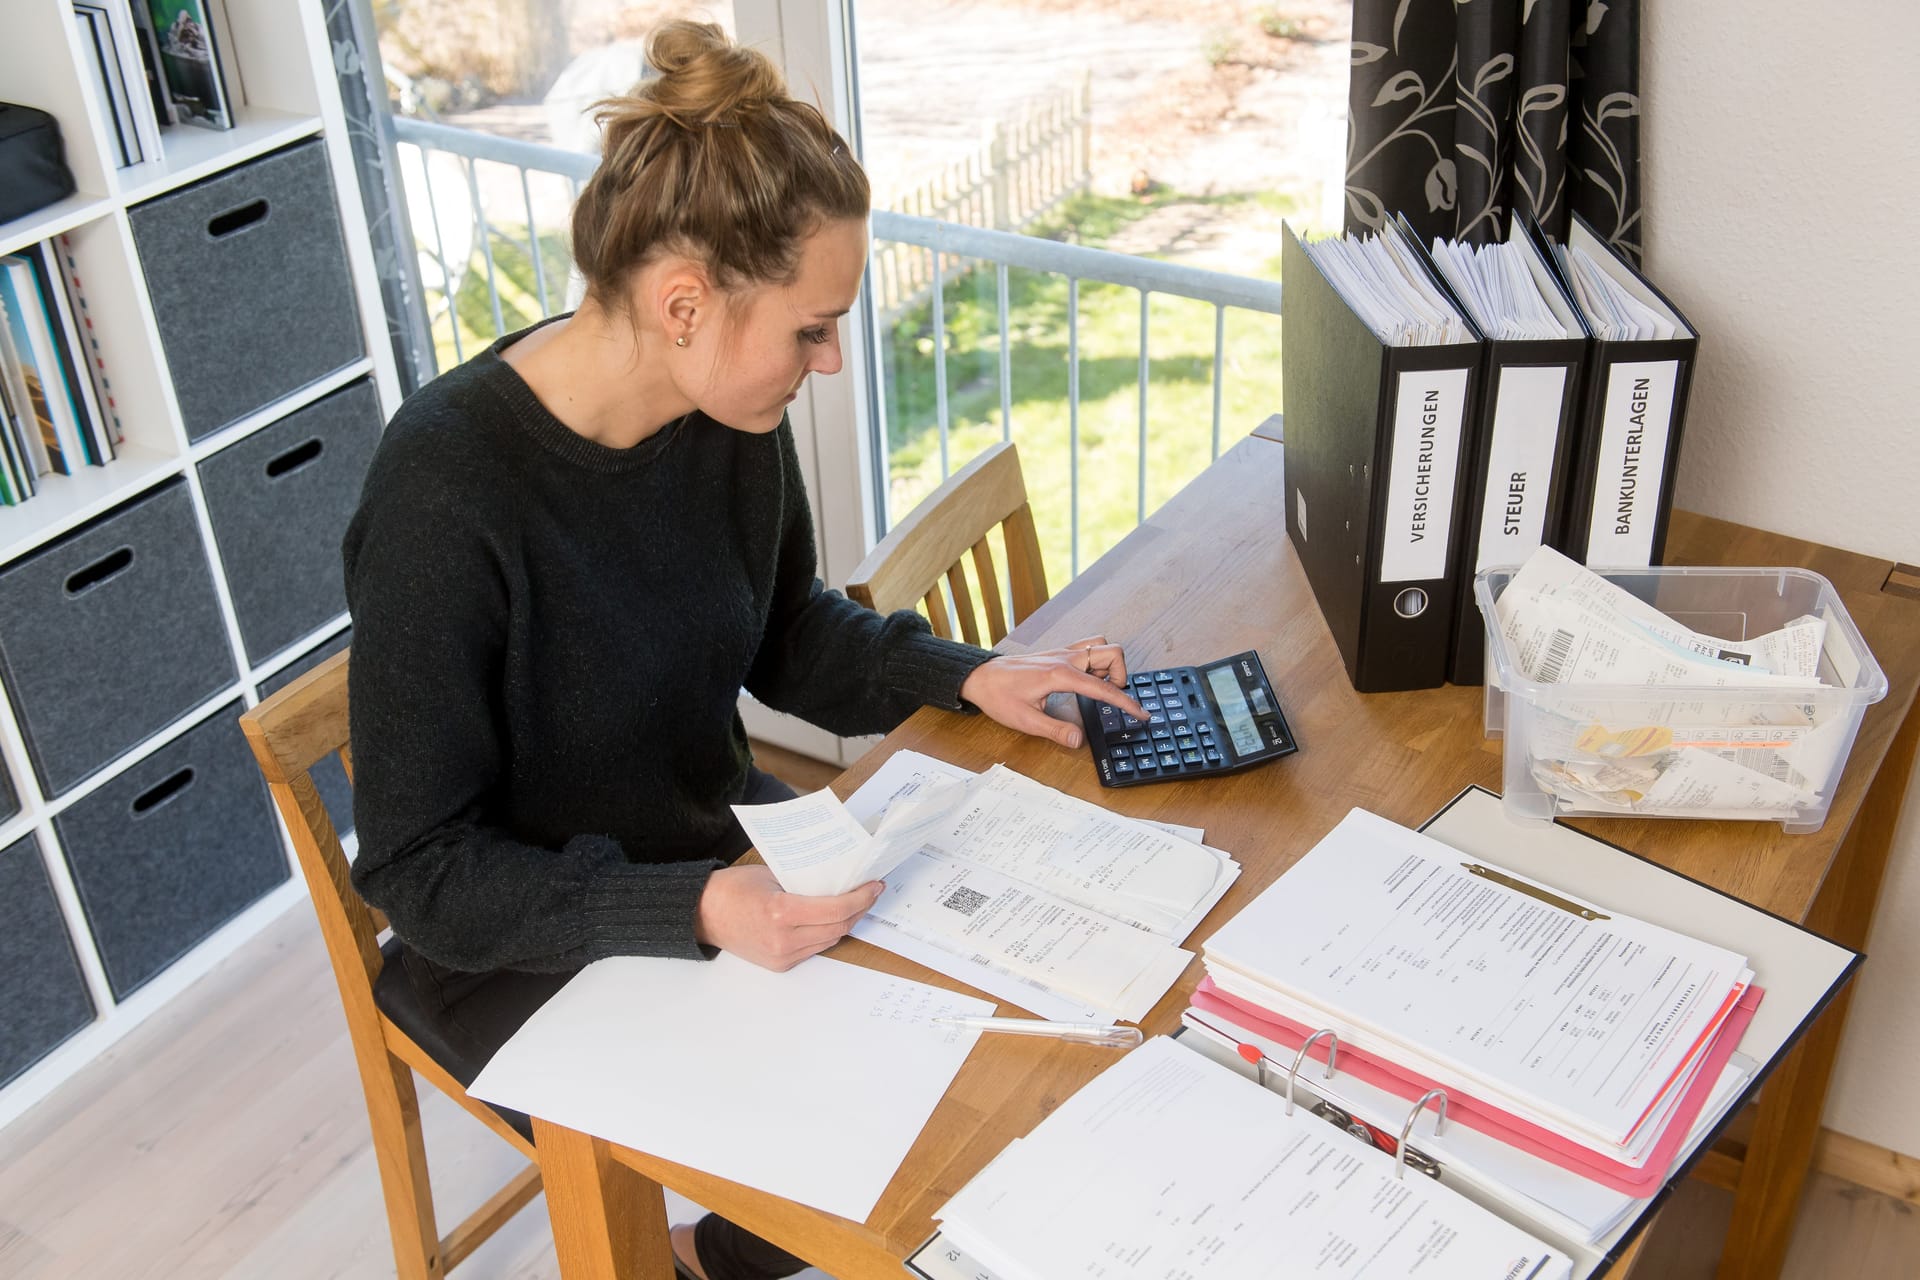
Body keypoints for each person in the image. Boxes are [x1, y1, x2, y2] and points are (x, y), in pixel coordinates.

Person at [342, 20, 1144, 1280]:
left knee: (977, 1092)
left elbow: (787, 634)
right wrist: (691, 904)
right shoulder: (447, 489)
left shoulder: (725, 411)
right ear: (683, 305)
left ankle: (718, 1253)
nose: (829, 361)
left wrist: (972, 673)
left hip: (720, 862)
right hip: (524, 944)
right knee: (857, 1167)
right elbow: (418, 868)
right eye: (813, 329)